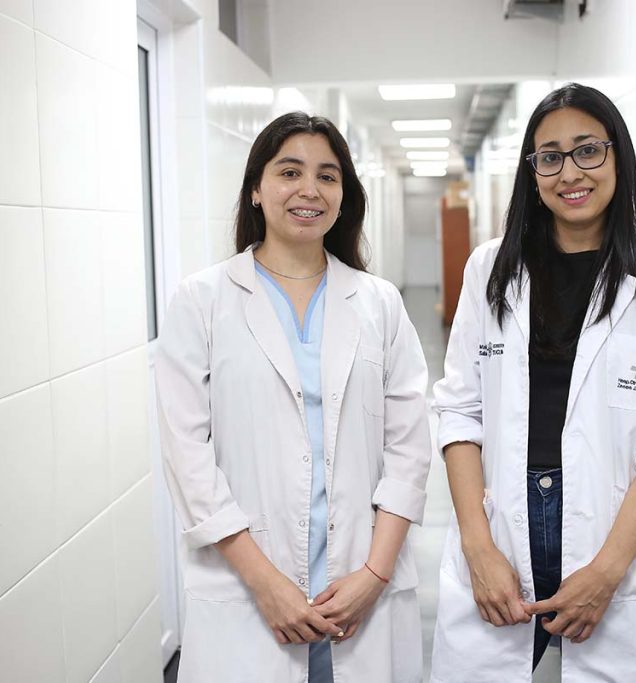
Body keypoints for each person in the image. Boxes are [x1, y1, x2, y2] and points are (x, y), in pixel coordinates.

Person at [429, 83, 636, 682]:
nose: (570, 172)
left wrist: (607, 571)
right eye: (550, 157)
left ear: (617, 157)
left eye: (588, 150)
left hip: (613, 532)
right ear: (533, 173)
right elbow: (459, 414)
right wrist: (477, 546)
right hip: (504, 524)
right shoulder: (489, 269)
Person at [156, 112, 432, 683]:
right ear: (256, 190)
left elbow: (409, 449)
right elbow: (188, 458)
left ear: (344, 195)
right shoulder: (202, 301)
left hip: (361, 586)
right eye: (289, 172)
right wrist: (265, 583)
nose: (310, 189)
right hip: (248, 589)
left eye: (327, 176)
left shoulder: (379, 303)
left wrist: (373, 576)